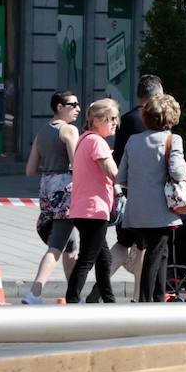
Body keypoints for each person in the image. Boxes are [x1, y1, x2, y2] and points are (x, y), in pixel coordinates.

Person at [117, 94, 186, 303]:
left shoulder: (133, 140)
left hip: (136, 210)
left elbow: (121, 177)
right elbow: (178, 173)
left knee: (161, 252)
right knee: (156, 251)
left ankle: (159, 295)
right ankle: (146, 300)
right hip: (161, 210)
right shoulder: (173, 139)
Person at [22, 91, 81, 303]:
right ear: (59, 107)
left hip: (47, 189)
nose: (78, 108)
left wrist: (50, 167)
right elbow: (77, 165)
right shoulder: (69, 130)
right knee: (57, 245)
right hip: (66, 191)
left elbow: (30, 170)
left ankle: (74, 295)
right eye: (73, 104)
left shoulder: (42, 132)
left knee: (71, 246)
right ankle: (34, 293)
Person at [64, 99, 121, 305]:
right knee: (87, 258)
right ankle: (72, 298)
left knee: (103, 258)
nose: (115, 123)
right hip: (94, 210)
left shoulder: (85, 139)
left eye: (116, 118)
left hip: (84, 209)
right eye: (110, 119)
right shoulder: (97, 142)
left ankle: (107, 298)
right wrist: (132, 182)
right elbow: (112, 171)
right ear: (97, 120)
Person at [109, 75, 162, 286]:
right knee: (143, 247)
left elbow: (119, 156)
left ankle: (96, 290)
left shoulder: (127, 119)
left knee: (123, 243)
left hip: (127, 192)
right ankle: (139, 297)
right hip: (146, 195)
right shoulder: (151, 121)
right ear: (156, 95)